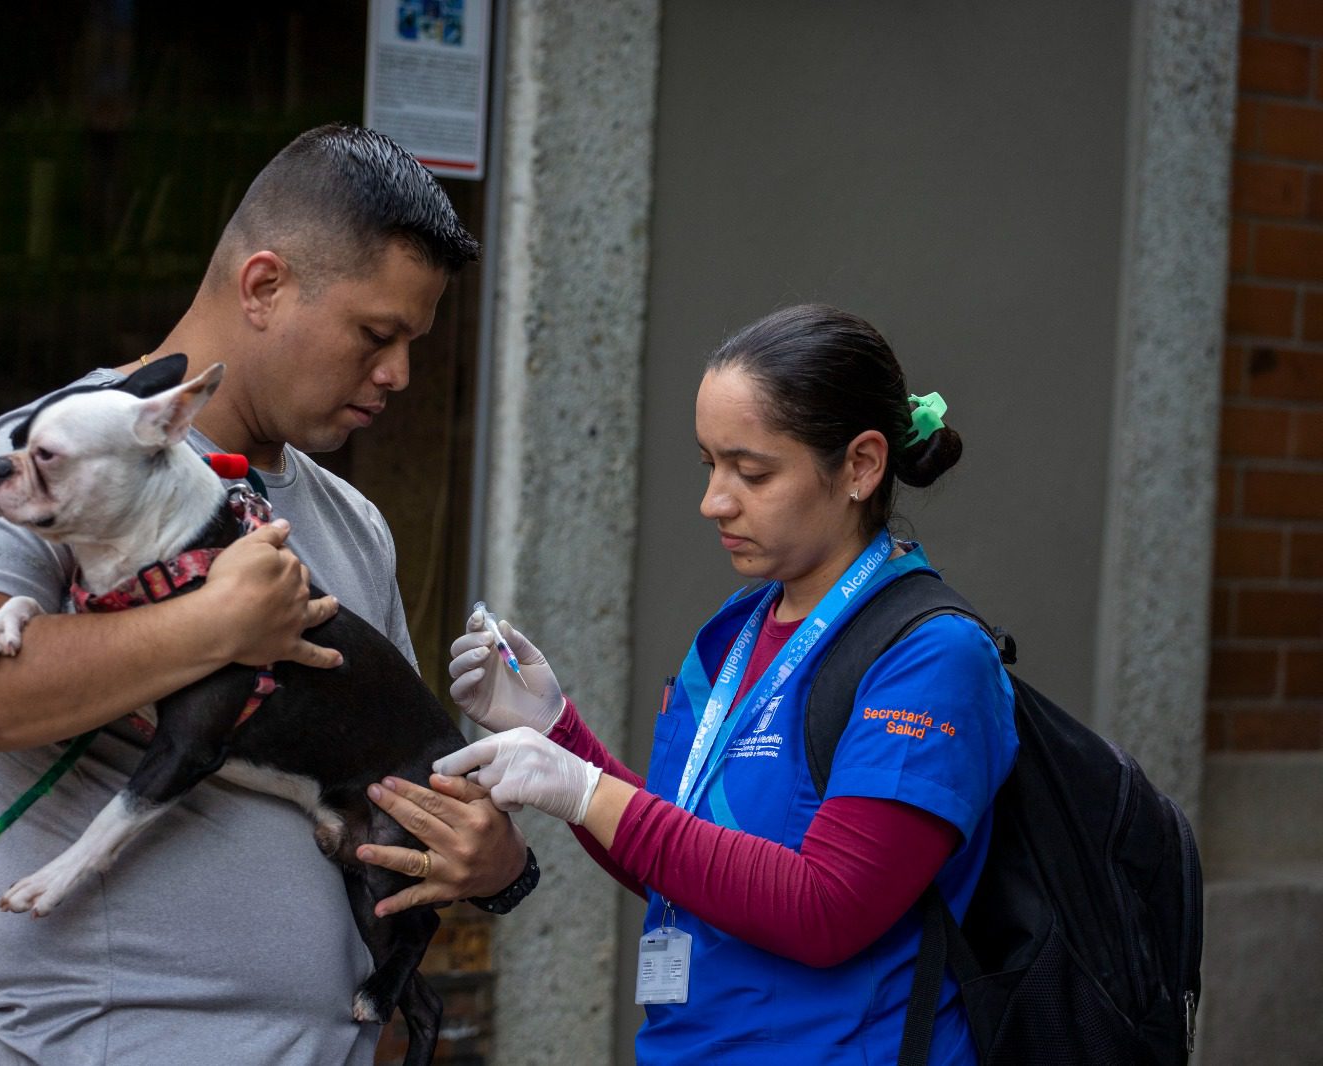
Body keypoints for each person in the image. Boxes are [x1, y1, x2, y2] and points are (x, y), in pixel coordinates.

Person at [0, 124, 533, 1065]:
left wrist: (497, 865)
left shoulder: (355, 521)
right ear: (265, 286)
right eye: (376, 334)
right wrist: (213, 623)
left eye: (412, 343)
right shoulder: (60, 457)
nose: (398, 374)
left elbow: (400, 777)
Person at [435, 304, 1019, 1064]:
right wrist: (553, 730)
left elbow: (827, 909)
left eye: (752, 471)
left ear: (862, 466)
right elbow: (686, 860)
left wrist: (584, 789)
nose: (715, 500)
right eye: (708, 464)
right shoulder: (737, 627)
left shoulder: (934, 656)